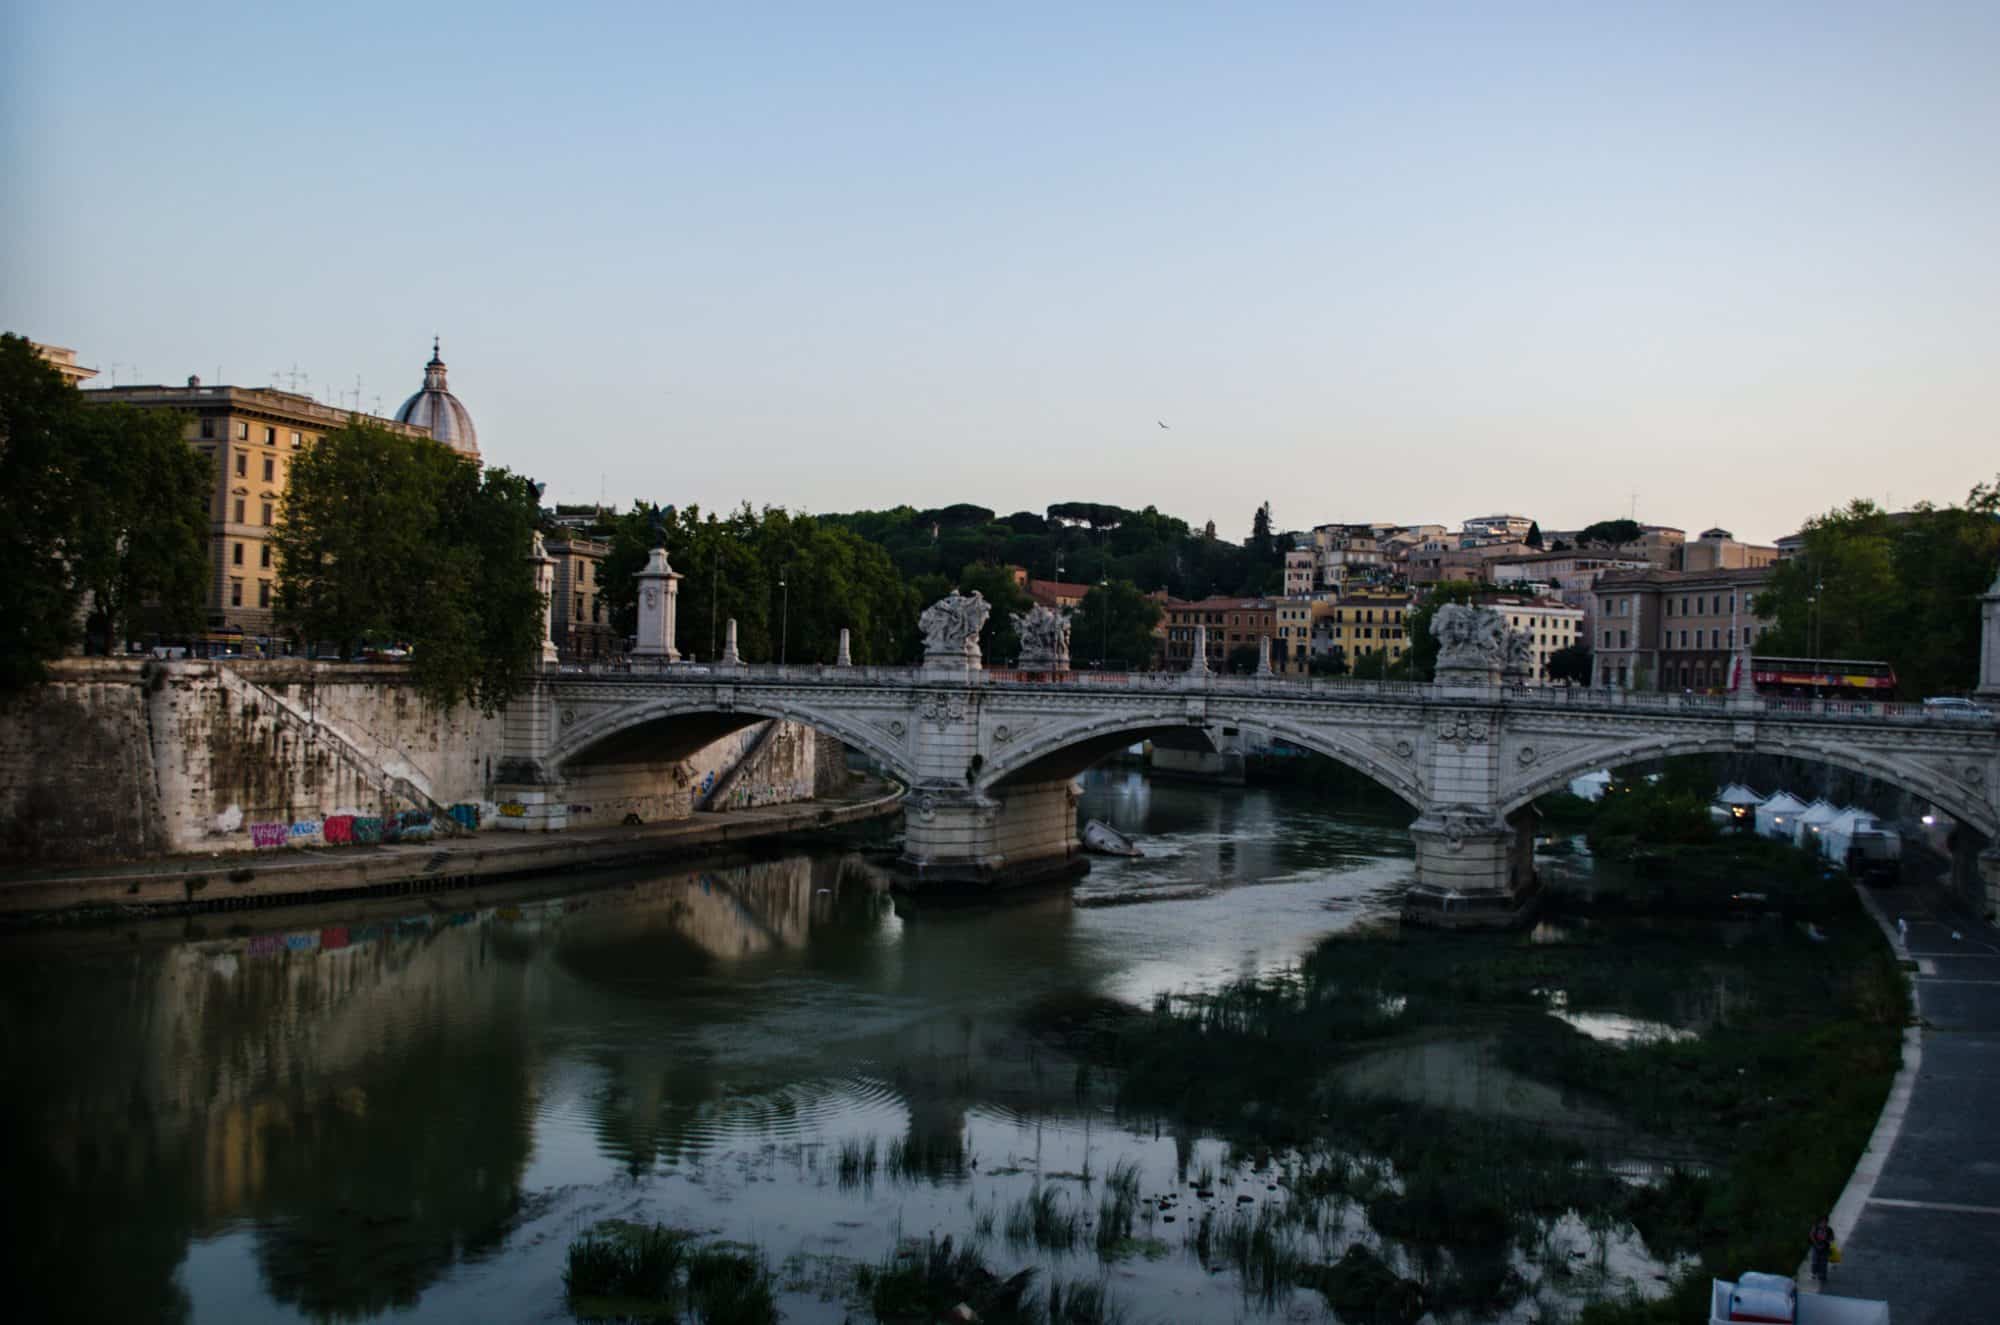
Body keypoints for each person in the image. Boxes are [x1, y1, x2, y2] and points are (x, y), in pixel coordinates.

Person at [1809, 1214, 1834, 1284]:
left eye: (1825, 1222)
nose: (1823, 1224)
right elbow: (1811, 1235)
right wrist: (1816, 1244)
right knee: (1815, 1261)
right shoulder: (1815, 1228)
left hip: (1825, 1248)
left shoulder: (1829, 1230)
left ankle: (1822, 1276)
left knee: (1823, 1263)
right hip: (1816, 1248)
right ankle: (1814, 1272)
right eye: (1822, 1222)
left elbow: (1831, 1239)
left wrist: (1826, 1240)